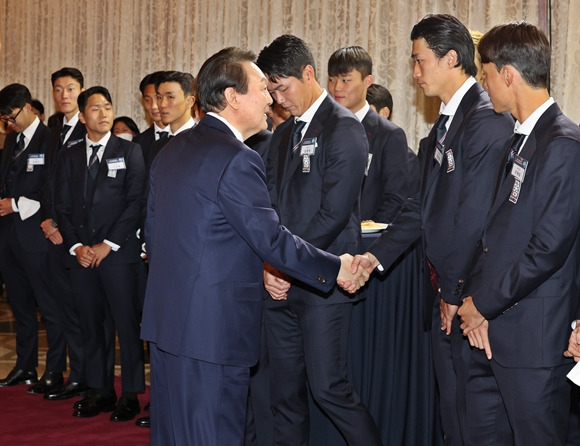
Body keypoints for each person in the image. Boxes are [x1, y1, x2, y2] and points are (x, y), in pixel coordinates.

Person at [140, 46, 370, 446]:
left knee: (173, 434)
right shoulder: (237, 158)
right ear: (232, 98)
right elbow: (271, 239)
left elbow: (154, 237)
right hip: (212, 333)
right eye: (262, 89)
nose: (270, 99)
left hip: (167, 325)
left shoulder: (172, 150)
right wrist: (336, 267)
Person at [351, 14, 514, 445]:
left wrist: (453, 292)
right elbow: (419, 208)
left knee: (478, 423)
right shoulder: (444, 124)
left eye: (420, 61)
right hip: (447, 298)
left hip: (475, 302)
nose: (415, 72)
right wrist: (375, 256)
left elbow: (472, 220)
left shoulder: (487, 121)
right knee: (452, 417)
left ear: (453, 59)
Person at [456, 22, 580, 445]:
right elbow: (494, 236)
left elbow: (547, 248)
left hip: (534, 342)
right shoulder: (519, 140)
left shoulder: (563, 144)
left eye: (486, 73)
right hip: (495, 332)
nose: (483, 84)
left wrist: (483, 303)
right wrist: (475, 302)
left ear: (508, 74)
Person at [256, 34, 381, 445]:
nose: (278, 98)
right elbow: (269, 207)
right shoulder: (280, 135)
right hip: (280, 285)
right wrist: (270, 266)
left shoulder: (344, 128)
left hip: (321, 285)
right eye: (270, 90)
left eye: (283, 87)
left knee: (330, 389)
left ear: (308, 74)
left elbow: (333, 214)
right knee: (284, 394)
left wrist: (284, 264)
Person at [55, 86, 146, 422]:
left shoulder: (130, 151)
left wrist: (108, 244)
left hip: (118, 255)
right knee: (91, 326)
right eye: (95, 108)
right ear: (82, 116)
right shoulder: (69, 154)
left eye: (108, 107)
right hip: (82, 257)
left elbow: (135, 203)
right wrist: (78, 246)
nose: (104, 114)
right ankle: (101, 390)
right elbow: (61, 206)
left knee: (126, 325)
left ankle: (131, 394)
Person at [0, 84, 66, 394]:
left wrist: (15, 203)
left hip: (38, 237)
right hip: (10, 237)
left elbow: (53, 189)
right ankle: (24, 366)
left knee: (49, 307)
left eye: (11, 117)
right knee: (20, 306)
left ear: (28, 108)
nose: (8, 125)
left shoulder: (52, 139)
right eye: (4, 120)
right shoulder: (11, 140)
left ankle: (54, 369)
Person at [41, 67, 89, 402]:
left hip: (77, 233)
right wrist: (47, 219)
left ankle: (82, 374)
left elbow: (84, 187)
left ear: (81, 91)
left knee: (80, 310)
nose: (63, 96)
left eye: (70, 89)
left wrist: (64, 226)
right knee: (58, 308)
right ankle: (60, 371)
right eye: (57, 89)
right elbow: (48, 182)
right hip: (53, 232)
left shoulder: (88, 127)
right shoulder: (53, 129)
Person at [328, 45, 416, 223]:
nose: (336, 88)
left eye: (345, 80)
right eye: (331, 79)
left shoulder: (389, 135)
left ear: (367, 81)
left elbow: (395, 199)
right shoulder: (323, 129)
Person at [146, 70, 196, 167]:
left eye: (170, 97)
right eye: (159, 97)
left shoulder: (204, 142)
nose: (162, 104)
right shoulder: (156, 146)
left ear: (190, 101)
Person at [134, 71, 169, 162]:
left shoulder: (189, 136)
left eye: (158, 98)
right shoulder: (138, 143)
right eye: (147, 100)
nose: (154, 106)